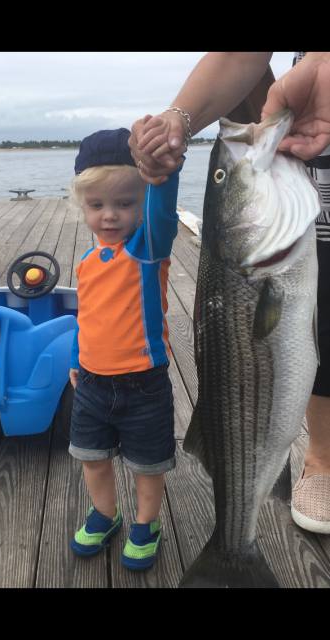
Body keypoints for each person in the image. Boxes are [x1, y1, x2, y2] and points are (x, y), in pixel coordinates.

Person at [128, 51, 330, 535]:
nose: (228, 164)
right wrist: (178, 119)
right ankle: (320, 460)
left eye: (222, 175)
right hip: (314, 139)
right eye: (224, 175)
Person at [67, 128, 184, 569]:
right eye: (96, 205)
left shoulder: (147, 250)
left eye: (125, 203)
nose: (110, 216)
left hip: (144, 387)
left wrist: (164, 174)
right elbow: (87, 315)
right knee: (92, 460)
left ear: (143, 204)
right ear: (82, 207)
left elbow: (163, 217)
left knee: (147, 464)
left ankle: (147, 522)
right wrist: (77, 359)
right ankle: (104, 514)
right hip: (93, 385)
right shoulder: (85, 261)